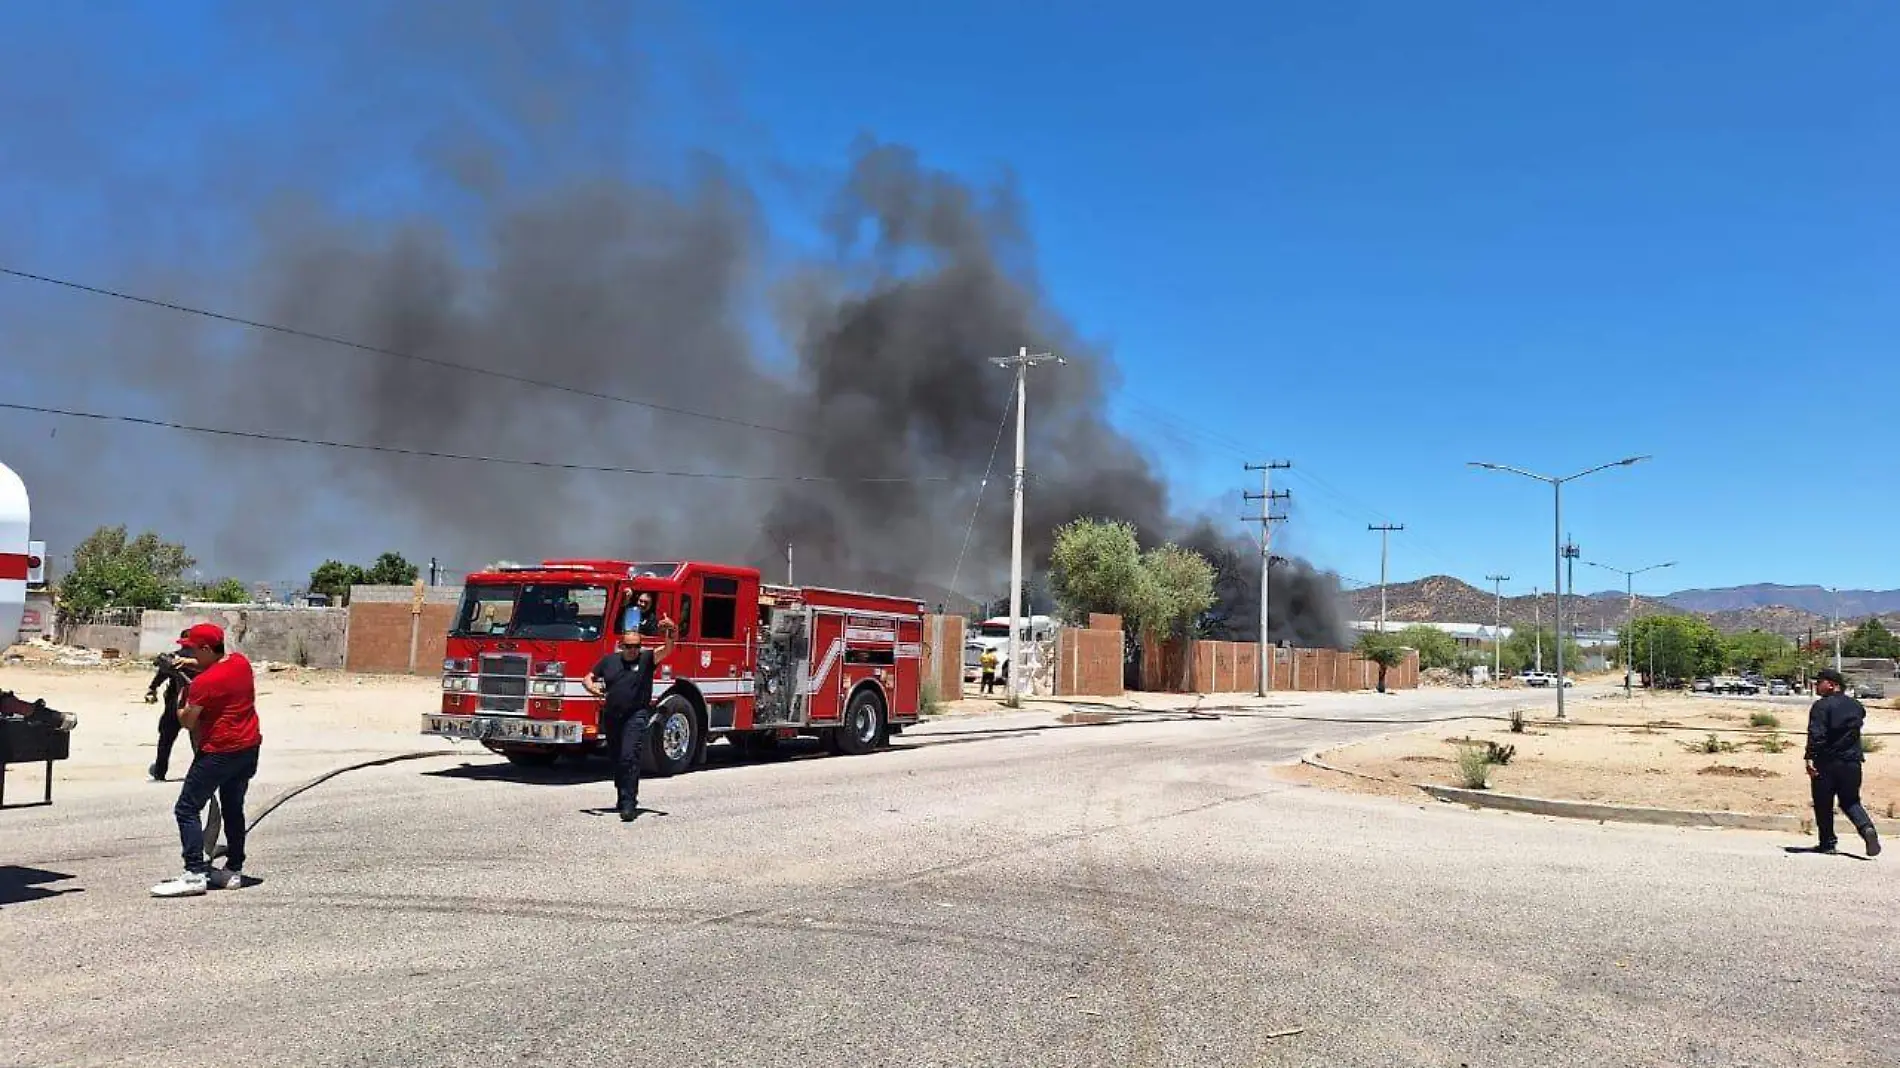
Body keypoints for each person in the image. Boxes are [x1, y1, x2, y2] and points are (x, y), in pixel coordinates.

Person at [150, 624, 264, 897]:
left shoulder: (203, 684)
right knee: (233, 808)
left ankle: (194, 874)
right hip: (248, 748)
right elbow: (216, 669)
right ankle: (233, 870)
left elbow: (189, 722)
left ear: (205, 648)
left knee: (186, 809)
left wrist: (181, 701)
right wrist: (186, 663)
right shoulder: (240, 663)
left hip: (218, 752)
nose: (189, 652)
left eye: (192, 649)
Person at [584, 618, 676, 822]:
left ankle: (629, 803)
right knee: (617, 758)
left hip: (636, 715)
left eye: (637, 646)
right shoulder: (609, 661)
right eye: (629, 646)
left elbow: (668, 649)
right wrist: (592, 688)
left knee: (629, 756)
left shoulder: (646, 660)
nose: (633, 650)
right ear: (621, 645)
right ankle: (622, 794)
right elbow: (588, 677)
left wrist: (670, 631)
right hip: (612, 716)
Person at [1803, 668, 1881, 857]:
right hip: (1852, 762)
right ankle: (1867, 829)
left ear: (1831, 684)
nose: (1816, 685)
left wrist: (1810, 757)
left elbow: (1817, 735)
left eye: (1819, 681)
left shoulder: (1821, 706)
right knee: (1851, 801)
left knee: (1823, 802)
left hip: (1827, 762)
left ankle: (1827, 843)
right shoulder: (1856, 706)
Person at [143, 631, 203, 782]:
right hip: (198, 704)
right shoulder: (203, 660)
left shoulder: (175, 658)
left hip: (177, 704)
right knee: (198, 740)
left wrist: (152, 688)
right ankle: (201, 770)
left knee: (166, 739)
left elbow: (160, 676)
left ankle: (160, 772)